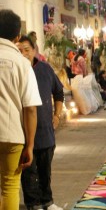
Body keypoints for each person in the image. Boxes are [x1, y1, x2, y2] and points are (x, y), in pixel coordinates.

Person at [0, 9, 42, 210]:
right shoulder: (22, 63)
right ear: (17, 36)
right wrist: (30, 145)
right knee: (9, 185)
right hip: (12, 134)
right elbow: (30, 108)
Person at [17, 35, 64, 210]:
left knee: (46, 171)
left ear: (35, 50)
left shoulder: (45, 69)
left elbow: (59, 93)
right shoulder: (15, 70)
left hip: (46, 132)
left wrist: (57, 115)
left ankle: (47, 201)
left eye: (26, 50)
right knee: (28, 174)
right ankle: (32, 204)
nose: (23, 54)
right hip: (22, 132)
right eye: (19, 50)